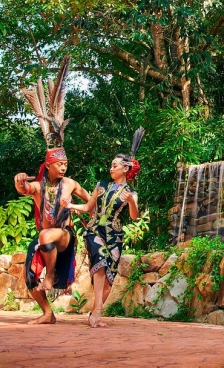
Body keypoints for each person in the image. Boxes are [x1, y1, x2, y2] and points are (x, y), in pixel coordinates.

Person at [16, 57, 90, 324]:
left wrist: (88, 212)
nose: (64, 167)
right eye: (59, 164)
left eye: (66, 164)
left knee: (47, 234)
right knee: (29, 278)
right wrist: (19, 180)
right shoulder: (39, 186)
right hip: (45, 239)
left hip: (64, 237)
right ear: (48, 165)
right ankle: (47, 313)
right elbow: (25, 188)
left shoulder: (70, 184)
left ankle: (51, 276)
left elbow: (91, 201)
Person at [65, 127, 144, 328]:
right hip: (94, 230)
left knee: (109, 280)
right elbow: (88, 207)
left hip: (114, 236)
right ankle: (98, 313)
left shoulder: (131, 192)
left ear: (125, 168)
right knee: (100, 260)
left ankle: (95, 313)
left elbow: (134, 216)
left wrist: (131, 202)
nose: (111, 168)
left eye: (115, 165)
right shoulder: (101, 186)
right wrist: (71, 205)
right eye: (111, 165)